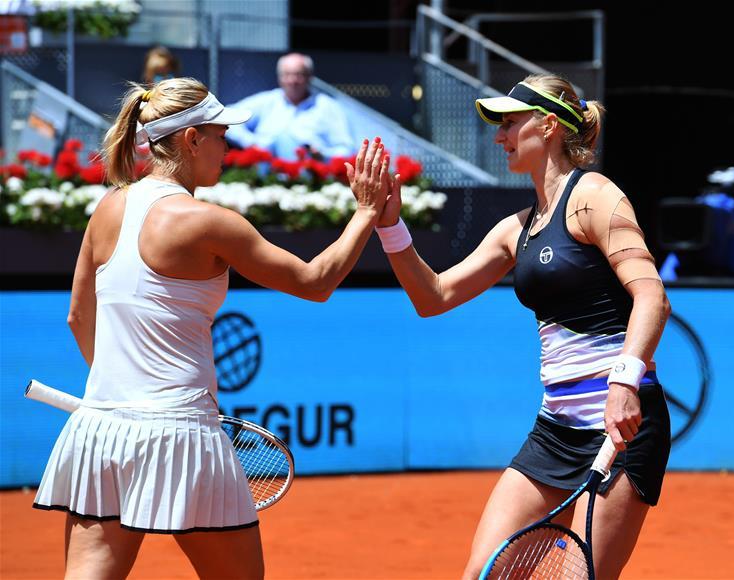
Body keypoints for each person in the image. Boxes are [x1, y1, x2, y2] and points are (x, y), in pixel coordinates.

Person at [31, 77, 391, 578]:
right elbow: (316, 281)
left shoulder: (107, 208)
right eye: (220, 133)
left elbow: (78, 316)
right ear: (191, 139)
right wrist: (368, 212)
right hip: (183, 433)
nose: (229, 143)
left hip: (100, 429)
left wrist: (122, 393)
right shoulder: (209, 221)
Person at [374, 74, 671, 579]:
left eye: (509, 124)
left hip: (618, 434)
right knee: (481, 573)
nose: (499, 137)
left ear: (549, 125)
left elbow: (652, 296)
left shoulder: (596, 197)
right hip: (554, 433)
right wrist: (389, 224)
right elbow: (434, 296)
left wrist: (624, 381)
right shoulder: (518, 228)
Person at [226, 52, 354, 160]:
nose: (293, 81)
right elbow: (228, 118)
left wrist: (323, 154)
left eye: (299, 74)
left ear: (310, 77)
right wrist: (253, 144)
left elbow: (346, 148)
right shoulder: (267, 101)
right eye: (287, 75)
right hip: (265, 174)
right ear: (279, 78)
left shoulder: (327, 106)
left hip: (311, 178)